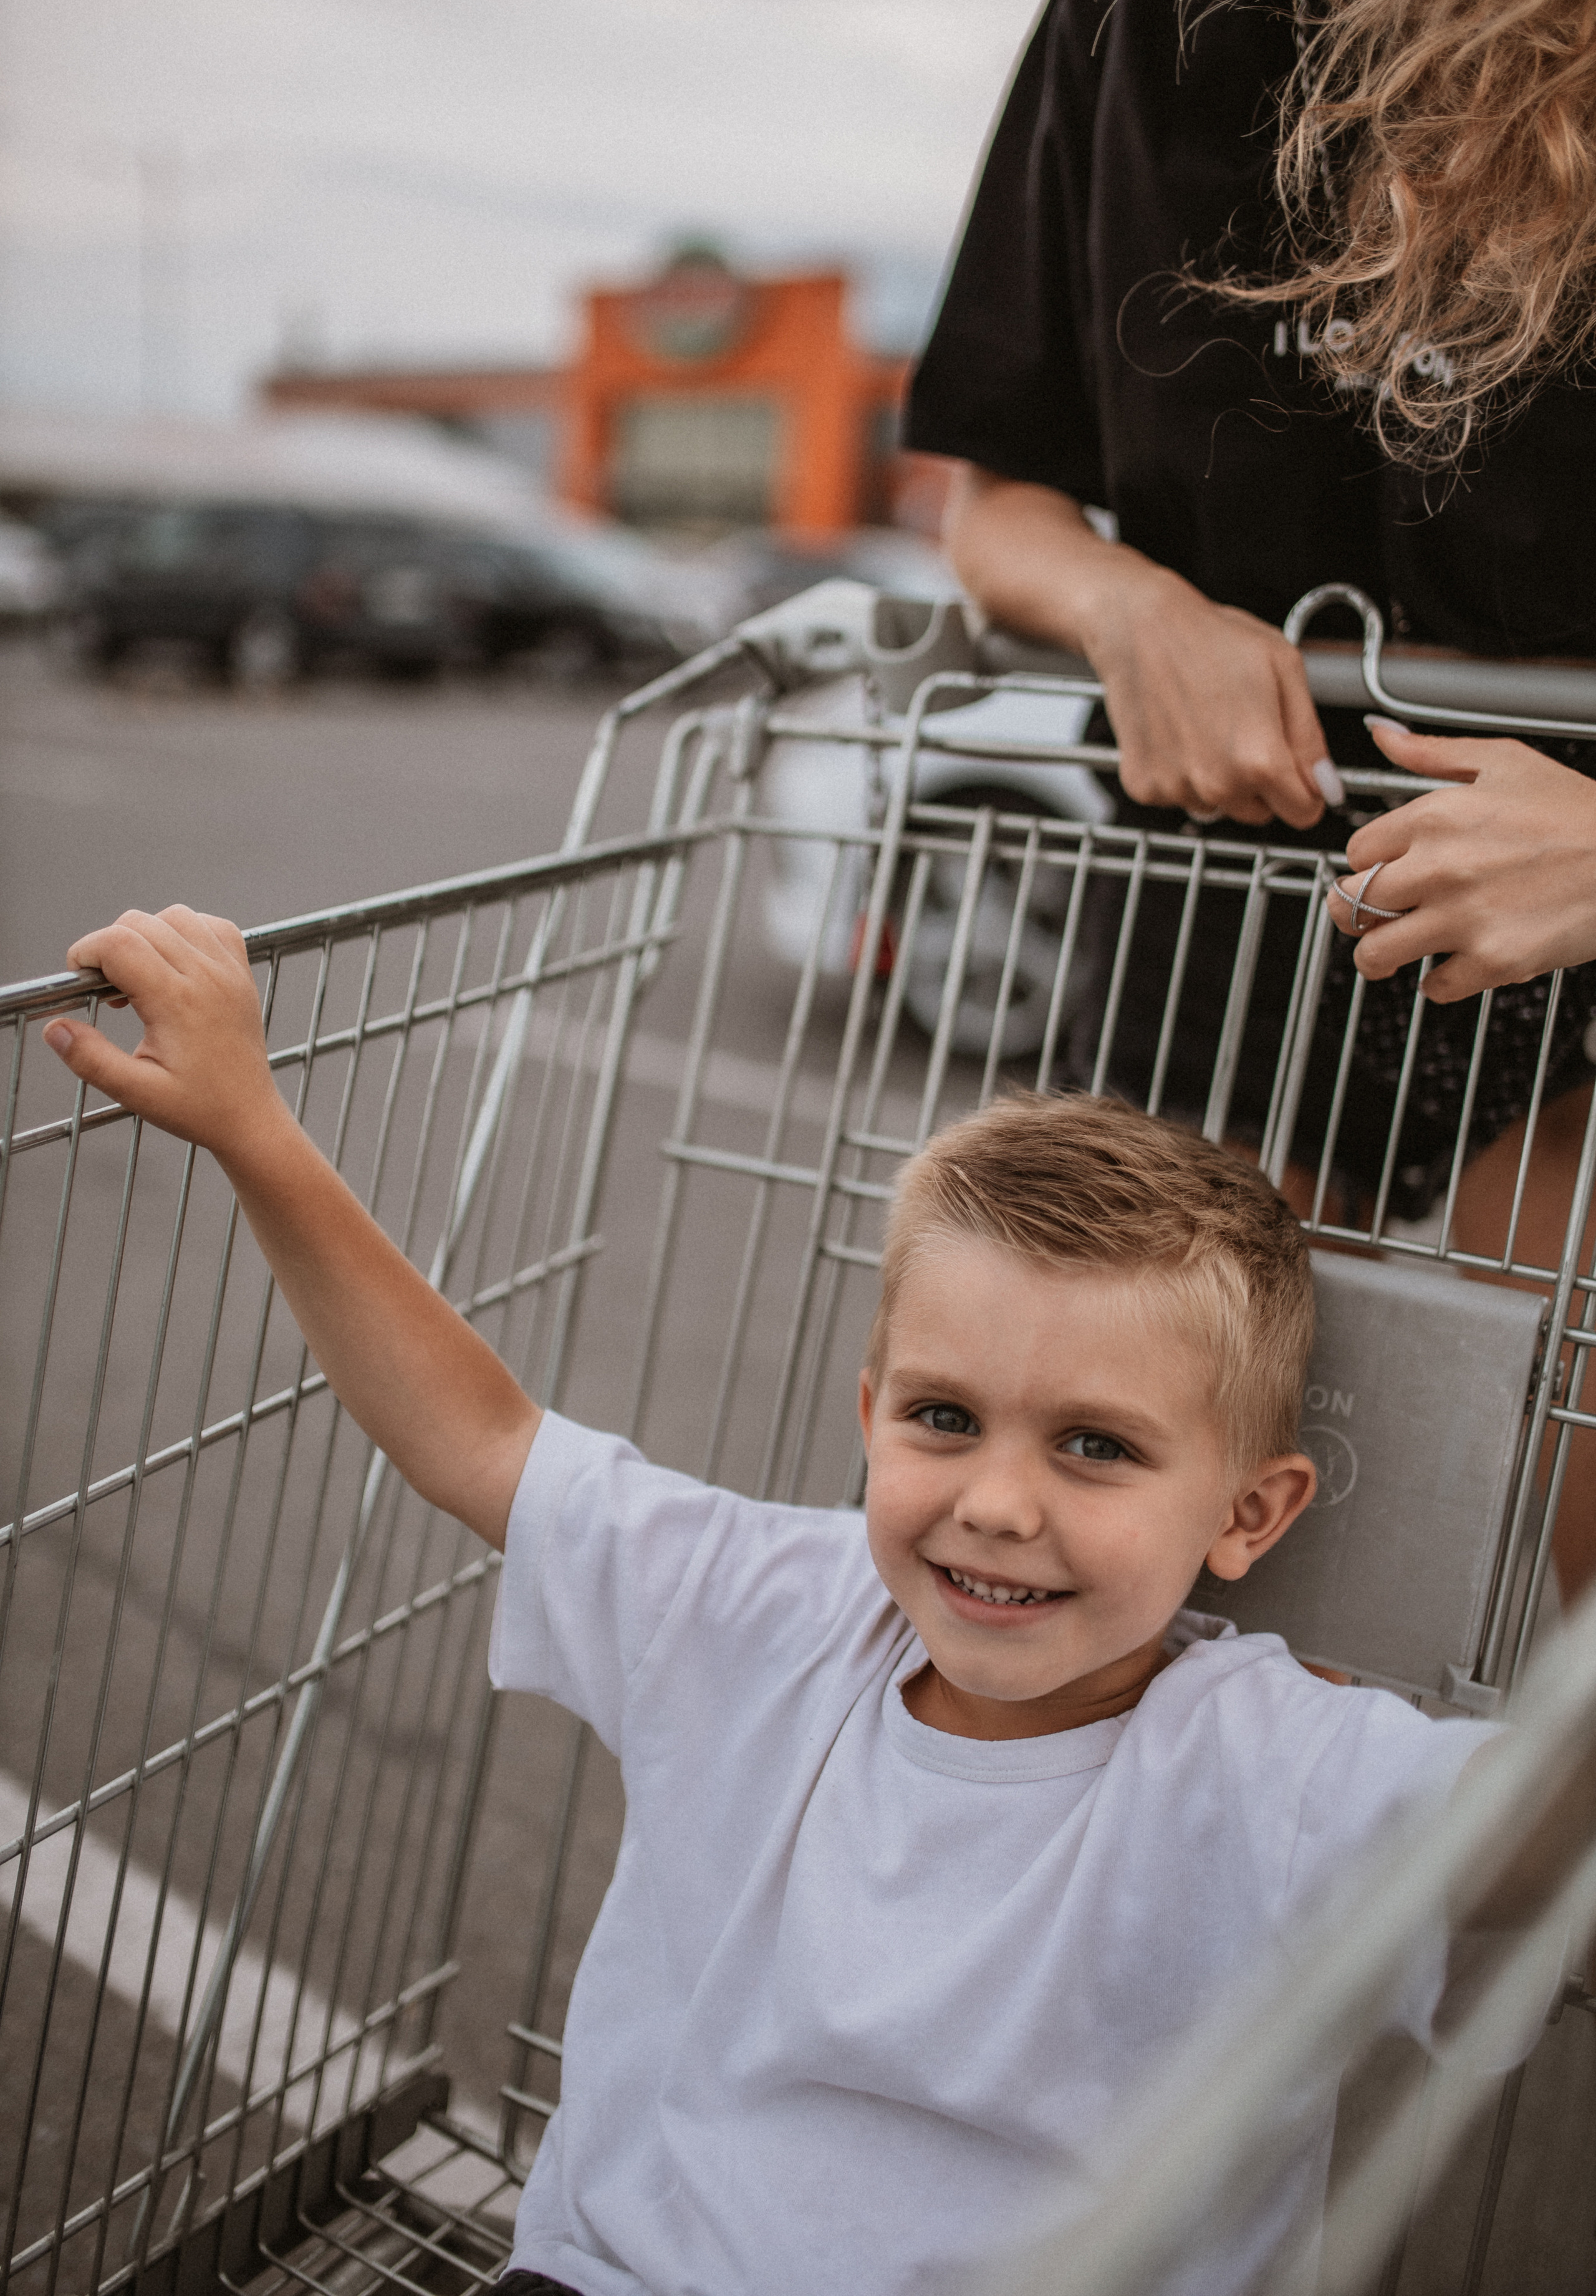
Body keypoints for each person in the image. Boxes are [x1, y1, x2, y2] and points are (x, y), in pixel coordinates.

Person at [41, 904, 1529, 2296]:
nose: (996, 1503)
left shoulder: (1269, 1768)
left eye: (1093, 1446)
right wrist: (252, 1127)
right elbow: (481, 1441)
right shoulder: (767, 1610)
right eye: (943, 1418)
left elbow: (1537, 1837)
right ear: (870, 1416)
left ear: (1248, 1513)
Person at [903, 0, 1596, 1588]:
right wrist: (1129, 608)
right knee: (1196, 1578)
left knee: (1571, 1627)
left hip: (1574, 931)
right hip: (1222, 915)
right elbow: (993, 499)